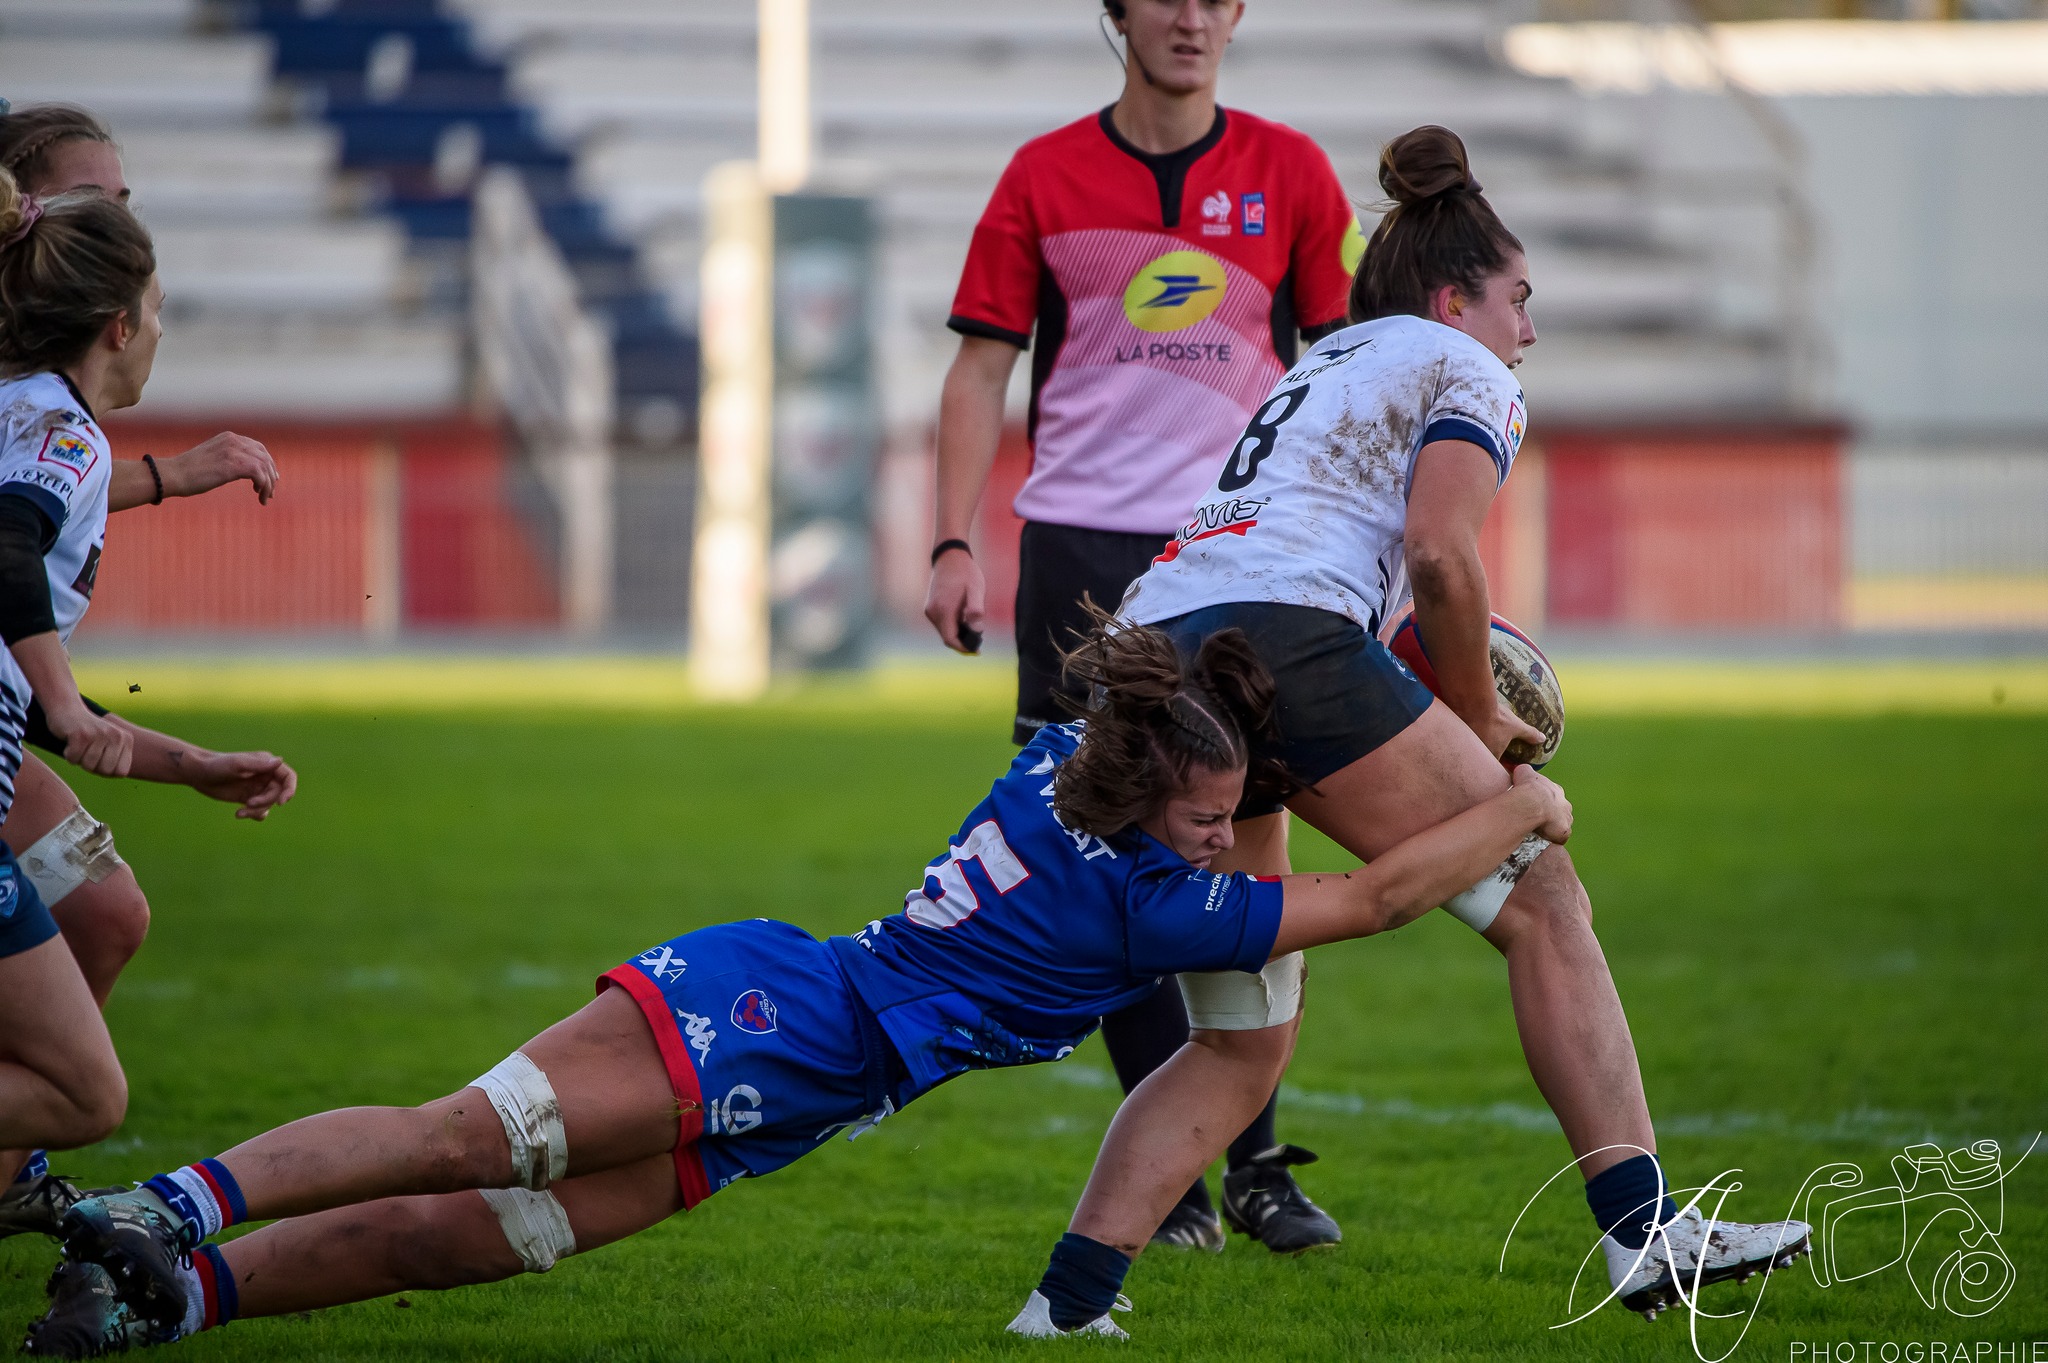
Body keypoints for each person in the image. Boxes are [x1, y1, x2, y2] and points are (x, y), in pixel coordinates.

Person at [23, 622, 1575, 1357]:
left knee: (485, 1231)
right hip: (784, 1019)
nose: (1214, 831)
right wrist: (1521, 796)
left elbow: (1190, 740)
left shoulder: (1065, 765)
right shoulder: (1145, 901)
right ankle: (165, 1205)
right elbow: (1371, 897)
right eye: (1203, 810)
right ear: (1153, 794)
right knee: (458, 1138)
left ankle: (167, 1297)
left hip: (808, 1066)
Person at [1023, 124, 1813, 1328]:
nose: (1527, 331)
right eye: (1518, 299)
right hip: (1278, 643)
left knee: (1241, 1037)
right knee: (1544, 903)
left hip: (1157, 650)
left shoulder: (1323, 359)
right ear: (1455, 299)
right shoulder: (1466, 367)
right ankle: (1649, 1236)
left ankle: (1067, 1303)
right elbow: (1443, 556)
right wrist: (1480, 713)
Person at [922, 0, 1365, 1252]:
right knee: (1108, 850)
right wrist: (955, 540)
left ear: (1235, 13)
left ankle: (1259, 1168)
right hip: (1079, 560)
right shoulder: (1040, 176)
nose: (1185, 15)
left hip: (1237, 555)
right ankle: (1170, 1177)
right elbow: (977, 371)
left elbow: (1345, 372)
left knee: (1247, 842)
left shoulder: (1291, 174)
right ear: (1111, 14)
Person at [0, 103, 290, 1242]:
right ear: (117, 321)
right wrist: (66, 694)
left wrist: (192, 763)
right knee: (88, 1093)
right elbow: (11, 540)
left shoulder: (40, 415)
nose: (121, 210)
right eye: (101, 200)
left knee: (105, 920)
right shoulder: (60, 435)